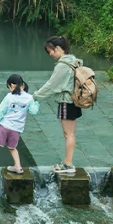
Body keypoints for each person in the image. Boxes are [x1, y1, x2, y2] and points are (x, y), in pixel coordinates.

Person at [34, 35, 83, 174]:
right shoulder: (74, 61)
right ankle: (68, 163)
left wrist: (35, 97)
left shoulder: (63, 65)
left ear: (57, 48)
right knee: (71, 134)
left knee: (68, 134)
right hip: (75, 101)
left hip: (66, 101)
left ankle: (67, 164)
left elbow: (51, 85)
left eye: (50, 51)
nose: (50, 54)